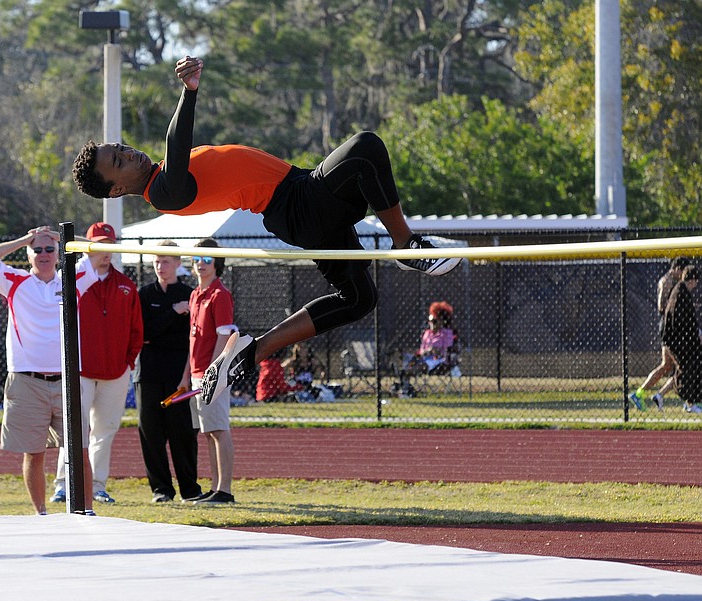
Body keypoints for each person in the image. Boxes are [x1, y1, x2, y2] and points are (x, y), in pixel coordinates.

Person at [72, 55, 462, 406]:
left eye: (120, 147)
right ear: (117, 188)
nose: (128, 153)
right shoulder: (163, 191)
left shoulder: (160, 177)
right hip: (295, 202)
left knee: (358, 298)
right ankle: (407, 245)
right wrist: (188, 94)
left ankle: (253, 351)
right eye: (118, 161)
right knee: (365, 149)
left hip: (296, 200)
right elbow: (177, 144)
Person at [0, 226, 99, 515]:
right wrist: (23, 240)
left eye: (49, 249)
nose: (44, 254)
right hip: (27, 379)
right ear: (28, 254)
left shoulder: (73, 278)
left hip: (67, 378)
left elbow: (98, 250)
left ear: (57, 253)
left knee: (79, 450)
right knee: (34, 451)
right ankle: (41, 513)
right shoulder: (15, 281)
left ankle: (88, 511)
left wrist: (62, 239)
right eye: (37, 250)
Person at [51, 223, 143, 505]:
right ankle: (64, 485)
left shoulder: (126, 285)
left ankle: (97, 485)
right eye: (99, 245)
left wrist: (127, 362)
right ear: (88, 247)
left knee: (105, 431)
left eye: (109, 245)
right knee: (75, 430)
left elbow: (136, 330)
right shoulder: (74, 279)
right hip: (80, 369)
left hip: (115, 372)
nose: (105, 252)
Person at [136, 240, 203, 503]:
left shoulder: (190, 293)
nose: (160, 266)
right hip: (148, 374)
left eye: (166, 261)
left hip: (179, 374)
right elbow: (144, 333)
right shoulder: (145, 294)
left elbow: (189, 339)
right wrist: (173, 313)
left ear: (177, 263)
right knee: (151, 433)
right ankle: (161, 489)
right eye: (156, 262)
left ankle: (190, 489)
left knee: (182, 432)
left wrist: (161, 330)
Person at [180, 238, 236, 504]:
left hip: (211, 374)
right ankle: (215, 488)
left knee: (219, 429)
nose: (201, 264)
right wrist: (186, 376)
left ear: (218, 263)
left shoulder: (220, 295)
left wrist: (211, 376)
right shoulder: (195, 294)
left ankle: (224, 489)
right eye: (197, 259)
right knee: (208, 431)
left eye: (208, 259)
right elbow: (193, 340)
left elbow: (224, 338)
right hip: (196, 374)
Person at [629, 256, 690, 411]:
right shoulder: (667, 281)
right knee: (681, 366)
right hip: (669, 328)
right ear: (677, 269)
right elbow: (661, 306)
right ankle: (688, 400)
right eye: (683, 271)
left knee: (668, 366)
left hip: (673, 328)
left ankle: (643, 394)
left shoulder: (674, 282)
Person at [661, 265, 702, 414]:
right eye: (695, 282)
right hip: (678, 340)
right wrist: (696, 334)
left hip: (677, 339)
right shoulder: (681, 294)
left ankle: (690, 400)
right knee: (690, 366)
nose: (695, 286)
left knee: (688, 366)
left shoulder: (679, 291)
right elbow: (686, 320)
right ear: (692, 280)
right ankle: (689, 399)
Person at [416, 301, 455, 373]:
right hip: (425, 358)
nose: (430, 323)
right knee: (410, 359)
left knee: (422, 364)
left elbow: (448, 349)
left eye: (434, 321)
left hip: (439, 361)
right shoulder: (427, 333)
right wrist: (427, 351)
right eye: (429, 321)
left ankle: (406, 374)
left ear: (441, 321)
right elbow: (422, 350)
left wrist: (436, 350)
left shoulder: (446, 333)